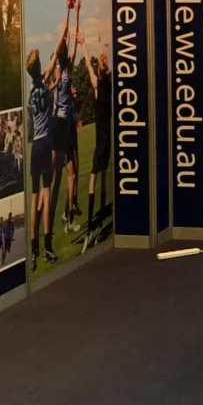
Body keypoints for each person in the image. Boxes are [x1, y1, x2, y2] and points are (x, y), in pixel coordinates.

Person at [27, 45, 60, 270]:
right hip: (46, 142)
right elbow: (56, 52)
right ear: (40, 69)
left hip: (35, 146)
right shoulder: (44, 80)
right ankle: (48, 246)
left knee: (34, 199)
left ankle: (34, 251)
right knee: (46, 196)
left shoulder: (32, 93)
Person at [51, 0, 82, 234]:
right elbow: (69, 43)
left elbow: (66, 40)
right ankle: (67, 216)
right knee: (71, 175)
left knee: (73, 173)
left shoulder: (58, 72)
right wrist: (74, 12)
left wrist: (70, 11)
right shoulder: (66, 71)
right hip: (63, 125)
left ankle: (67, 213)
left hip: (63, 124)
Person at [83, 41, 112, 252]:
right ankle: (100, 218)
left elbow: (88, 65)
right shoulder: (108, 83)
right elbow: (101, 66)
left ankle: (90, 226)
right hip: (107, 138)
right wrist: (101, 47)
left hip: (100, 140)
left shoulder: (97, 86)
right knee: (102, 176)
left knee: (93, 178)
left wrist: (85, 46)